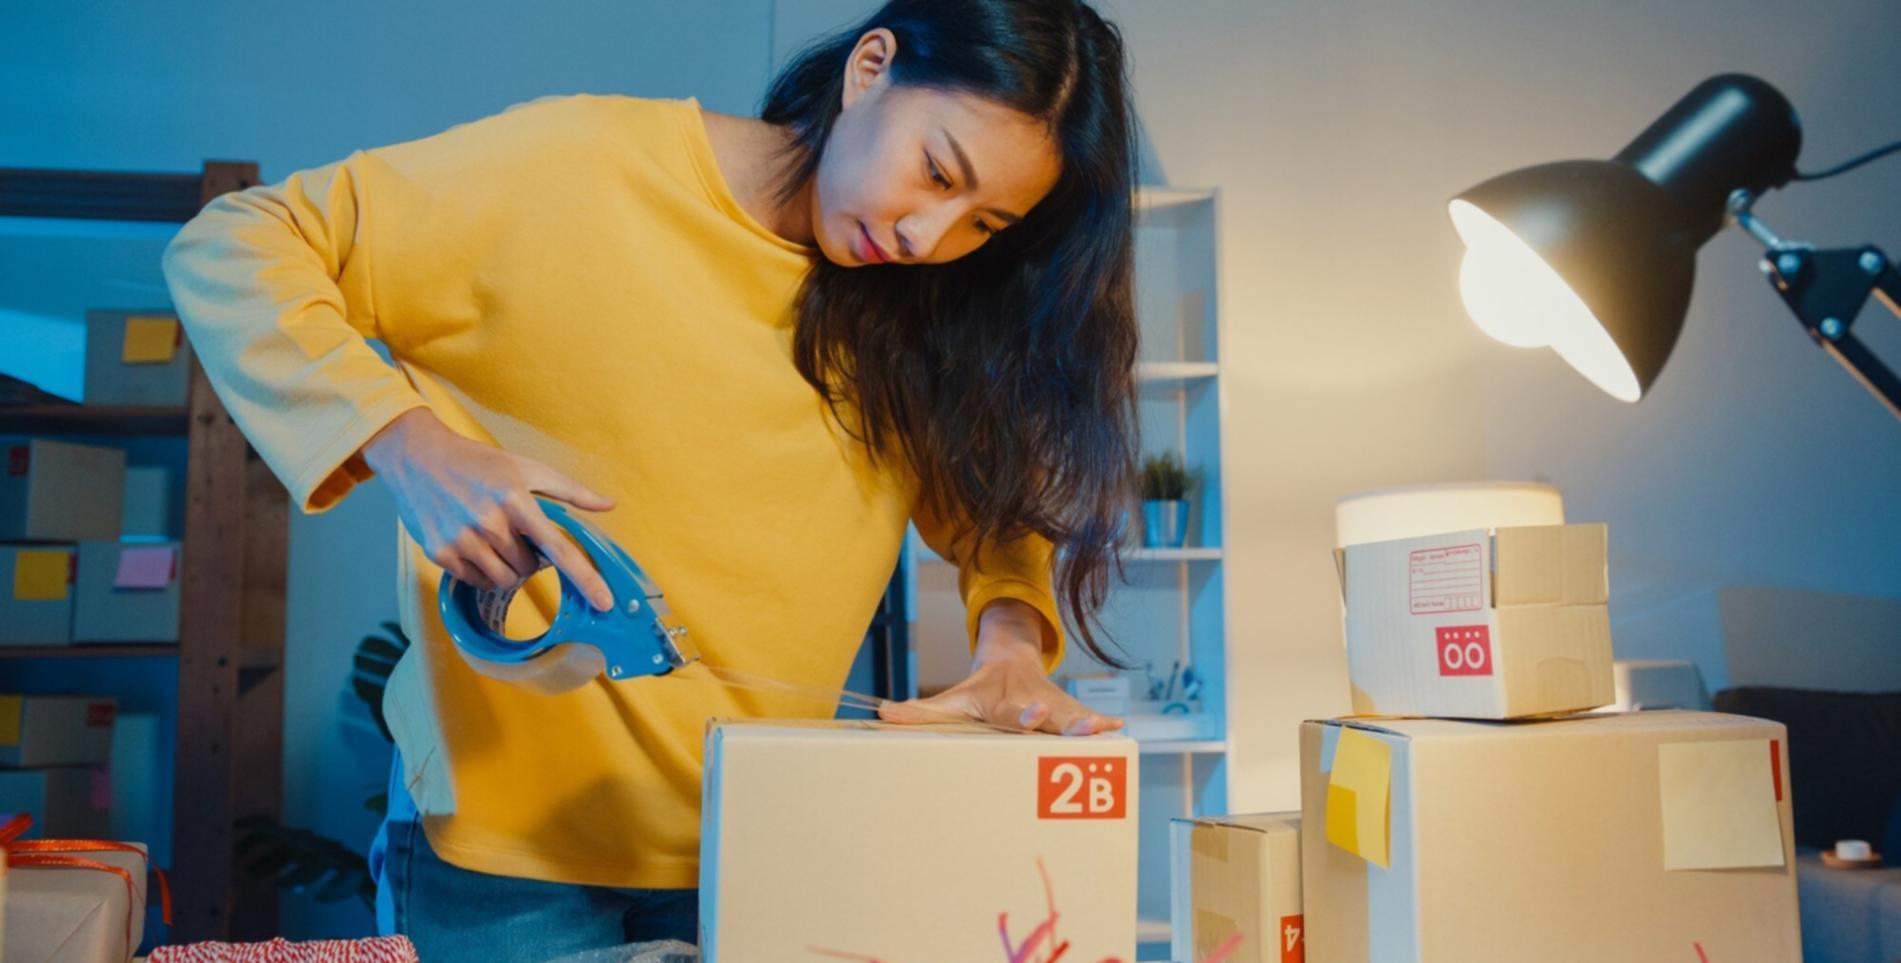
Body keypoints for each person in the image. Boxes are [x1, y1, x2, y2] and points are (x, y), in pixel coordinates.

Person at [162, 0, 1141, 957]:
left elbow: (990, 512)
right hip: (504, 871)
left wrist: (1010, 641)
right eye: (935, 171)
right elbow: (237, 243)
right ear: (870, 67)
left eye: (985, 223)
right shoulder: (581, 165)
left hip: (761, 848)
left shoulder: (917, 306)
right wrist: (409, 444)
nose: (931, 234)